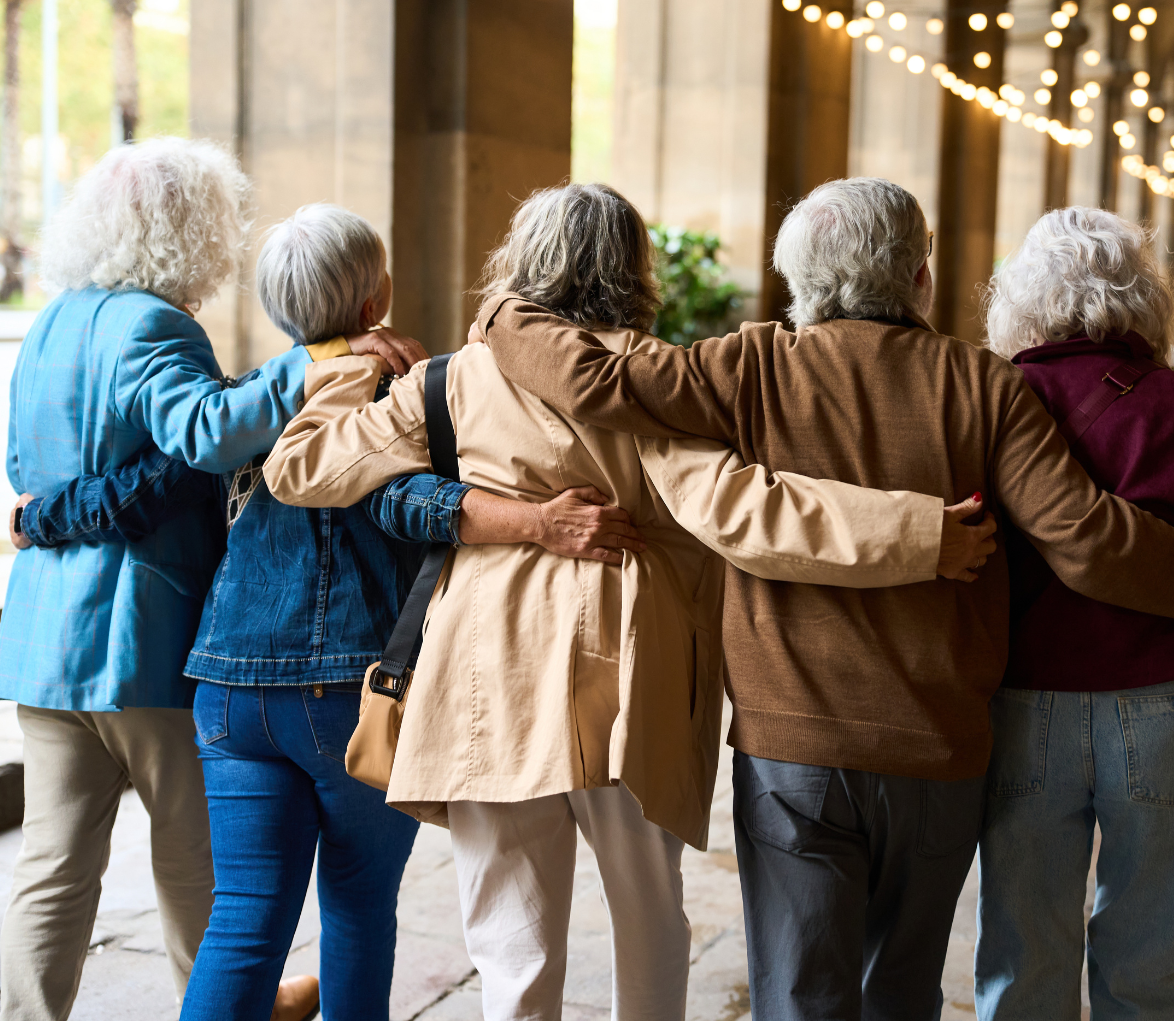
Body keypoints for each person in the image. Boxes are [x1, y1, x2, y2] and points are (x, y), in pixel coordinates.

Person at [464, 176, 1174, 1021]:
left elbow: (592, 378)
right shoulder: (982, 384)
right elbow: (1085, 539)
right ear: (920, 278)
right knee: (899, 991)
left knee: (800, 993)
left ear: (797, 280)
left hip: (791, 747)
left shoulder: (747, 364)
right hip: (937, 749)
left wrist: (508, 316)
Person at [261, 182, 999, 1021]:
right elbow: (748, 511)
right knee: (649, 923)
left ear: (520, 261)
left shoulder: (451, 380)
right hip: (632, 677)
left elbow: (300, 469)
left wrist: (350, 358)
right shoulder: (645, 382)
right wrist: (919, 534)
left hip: (488, 675)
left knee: (511, 944)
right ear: (633, 265)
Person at [8, 203, 666, 1021]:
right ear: (375, 296)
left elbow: (155, 485)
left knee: (243, 917)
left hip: (226, 689)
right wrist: (527, 517)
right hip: (352, 687)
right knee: (356, 907)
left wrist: (35, 518)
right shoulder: (413, 386)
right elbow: (403, 502)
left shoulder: (241, 402)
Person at [0, 139, 421, 1021]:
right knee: (206, 862)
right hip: (137, 641)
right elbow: (205, 430)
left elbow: (24, 468)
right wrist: (315, 361)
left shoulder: (48, 322)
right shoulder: (150, 323)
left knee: (52, 863)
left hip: (43, 644)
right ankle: (244, 1002)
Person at [972, 206, 1174, 1020]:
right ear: (1146, 298)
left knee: (1020, 951)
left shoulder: (983, 408)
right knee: (1147, 956)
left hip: (1021, 707)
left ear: (1017, 298)